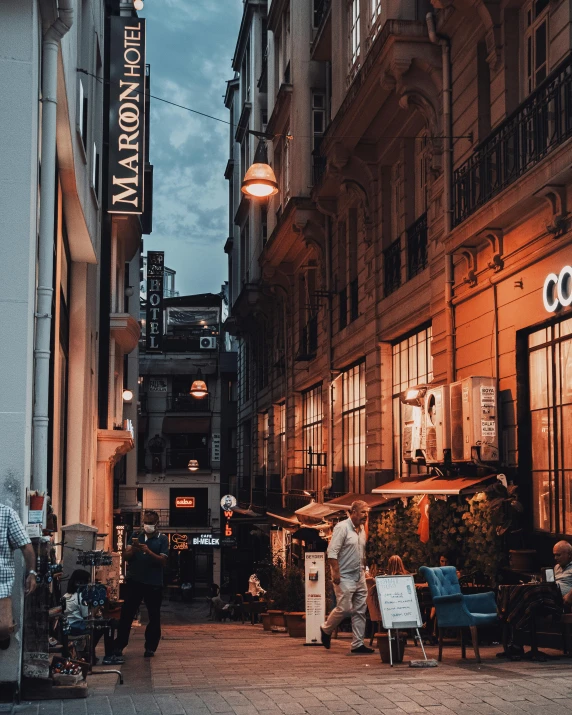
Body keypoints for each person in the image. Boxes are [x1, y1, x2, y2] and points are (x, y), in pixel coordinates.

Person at [320, 500, 374, 654]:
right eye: (363, 512)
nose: (366, 515)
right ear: (354, 511)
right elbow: (332, 552)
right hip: (344, 576)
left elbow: (361, 553)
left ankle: (357, 644)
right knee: (344, 608)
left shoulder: (362, 530)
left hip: (359, 576)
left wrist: (365, 569)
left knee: (360, 610)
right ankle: (326, 629)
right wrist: (336, 572)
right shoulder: (342, 528)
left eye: (367, 512)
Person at [114, 510, 168, 658]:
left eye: (150, 523)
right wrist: (132, 549)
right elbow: (125, 556)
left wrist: (148, 551)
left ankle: (150, 647)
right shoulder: (136, 536)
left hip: (153, 583)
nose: (147, 525)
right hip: (135, 580)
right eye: (145, 522)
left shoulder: (162, 539)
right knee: (126, 614)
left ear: (156, 524)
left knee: (154, 616)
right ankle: (119, 645)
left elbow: (163, 561)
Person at [63, 569, 122, 665]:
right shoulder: (80, 596)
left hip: (69, 625)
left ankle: (89, 652)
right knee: (108, 623)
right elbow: (89, 616)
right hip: (76, 626)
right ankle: (107, 655)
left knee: (103, 623)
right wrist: (99, 604)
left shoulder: (66, 595)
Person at [0, 503, 37, 649]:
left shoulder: (7, 513)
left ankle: (5, 630)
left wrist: (32, 573)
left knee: (3, 627)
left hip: (1, 583)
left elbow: (26, 546)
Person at [553, 540, 572, 608]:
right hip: (551, 595)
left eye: (558, 555)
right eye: (554, 555)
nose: (555, 558)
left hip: (562, 599)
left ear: (569, 554)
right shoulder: (557, 567)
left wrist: (570, 595)